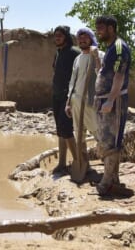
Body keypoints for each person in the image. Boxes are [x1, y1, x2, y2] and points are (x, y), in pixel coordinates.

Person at [93, 16, 131, 196]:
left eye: (101, 28)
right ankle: (113, 179)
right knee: (105, 139)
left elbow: (119, 76)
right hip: (104, 100)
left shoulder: (119, 48)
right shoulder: (109, 49)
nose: (98, 31)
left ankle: (106, 181)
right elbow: (104, 72)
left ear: (111, 28)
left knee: (111, 140)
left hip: (114, 102)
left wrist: (110, 100)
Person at [51, 25, 80, 174]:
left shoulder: (74, 53)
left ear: (66, 37)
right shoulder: (58, 53)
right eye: (55, 35)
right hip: (56, 96)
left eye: (60, 35)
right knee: (60, 131)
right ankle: (62, 163)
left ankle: (78, 162)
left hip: (69, 97)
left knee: (67, 130)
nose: (57, 38)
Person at [66, 27, 103, 138]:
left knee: (99, 135)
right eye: (79, 38)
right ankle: (81, 156)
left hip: (92, 103)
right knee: (79, 137)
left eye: (85, 37)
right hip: (76, 102)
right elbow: (73, 82)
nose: (82, 40)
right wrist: (68, 103)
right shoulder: (78, 59)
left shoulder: (101, 55)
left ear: (91, 39)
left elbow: (102, 75)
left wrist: (96, 57)